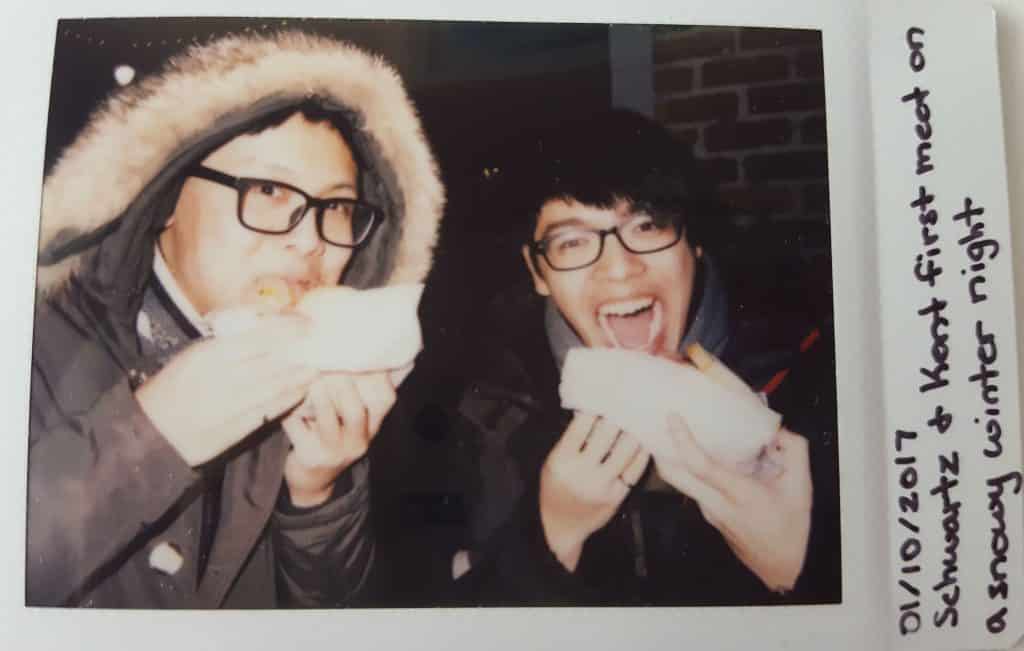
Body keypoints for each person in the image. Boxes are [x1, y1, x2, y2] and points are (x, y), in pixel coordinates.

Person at [28, 31, 444, 608]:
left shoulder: (330, 380)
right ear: (166, 197)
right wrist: (151, 438)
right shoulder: (32, 347)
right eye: (270, 189)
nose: (308, 241)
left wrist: (319, 500)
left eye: (339, 207)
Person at [452, 110, 841, 606]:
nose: (620, 270)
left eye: (648, 225)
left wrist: (802, 569)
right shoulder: (494, 417)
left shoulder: (815, 380)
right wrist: (549, 538)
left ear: (694, 240)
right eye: (572, 241)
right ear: (538, 272)